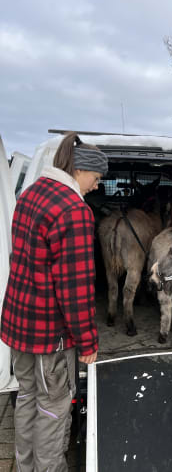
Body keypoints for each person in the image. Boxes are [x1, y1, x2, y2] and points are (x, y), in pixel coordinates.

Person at [0, 132, 108, 471]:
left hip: (20, 328)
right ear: (80, 170)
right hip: (51, 337)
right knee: (53, 408)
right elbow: (75, 289)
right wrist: (88, 341)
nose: (97, 185)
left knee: (28, 398)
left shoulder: (31, 194)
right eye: (96, 177)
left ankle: (24, 465)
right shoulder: (75, 210)